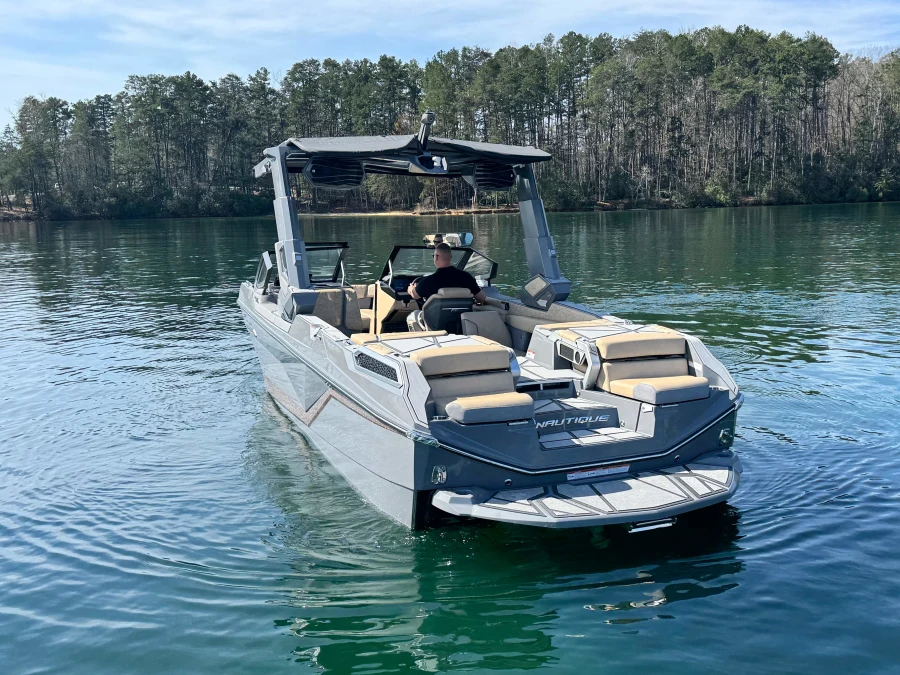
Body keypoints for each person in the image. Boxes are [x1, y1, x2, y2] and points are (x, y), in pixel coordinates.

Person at [409, 243, 487, 303]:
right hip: (463, 318)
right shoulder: (467, 277)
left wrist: (411, 288)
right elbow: (482, 298)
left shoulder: (427, 281)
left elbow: (414, 295)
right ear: (450, 257)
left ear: (436, 257)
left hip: (436, 319)